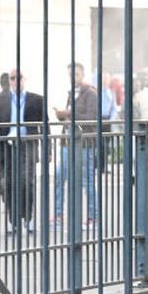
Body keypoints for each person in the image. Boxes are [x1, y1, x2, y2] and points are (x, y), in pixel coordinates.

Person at [0, 69, 44, 233]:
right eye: (12, 78)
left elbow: (44, 125)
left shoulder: (36, 99)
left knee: (27, 182)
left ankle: (28, 216)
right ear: (9, 80)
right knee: (9, 184)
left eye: (18, 78)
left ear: (24, 79)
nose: (15, 81)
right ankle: (13, 221)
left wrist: (47, 151)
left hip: (28, 144)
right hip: (7, 145)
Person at [53, 63, 100, 227]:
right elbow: (69, 116)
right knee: (60, 176)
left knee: (87, 180)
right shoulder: (72, 93)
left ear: (82, 74)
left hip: (84, 144)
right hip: (68, 142)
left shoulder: (91, 94)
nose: (73, 78)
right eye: (70, 75)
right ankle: (58, 215)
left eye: (76, 74)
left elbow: (91, 117)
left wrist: (68, 114)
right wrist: (62, 116)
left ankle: (93, 217)